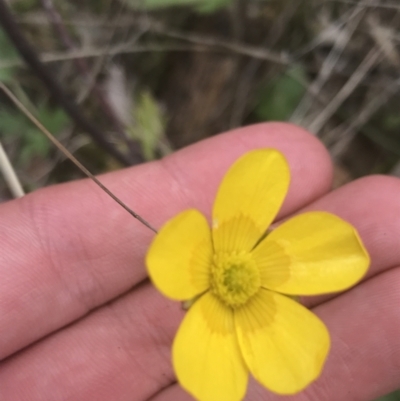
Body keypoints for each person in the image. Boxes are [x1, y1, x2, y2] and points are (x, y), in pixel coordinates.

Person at [0, 122, 399, 401]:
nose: (241, 278)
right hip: (196, 267)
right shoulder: (184, 249)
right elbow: (172, 252)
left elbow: (337, 255)